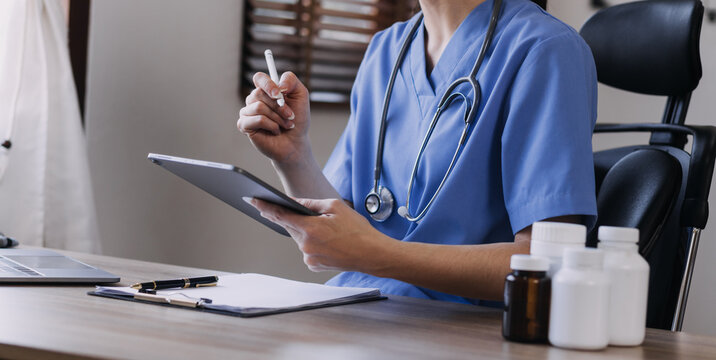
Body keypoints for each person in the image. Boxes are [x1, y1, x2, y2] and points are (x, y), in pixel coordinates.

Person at [237, 0, 597, 305]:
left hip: (462, 333)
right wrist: (293, 154)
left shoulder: (544, 49)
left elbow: (548, 262)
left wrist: (376, 254)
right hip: (356, 312)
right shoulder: (386, 49)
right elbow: (345, 226)